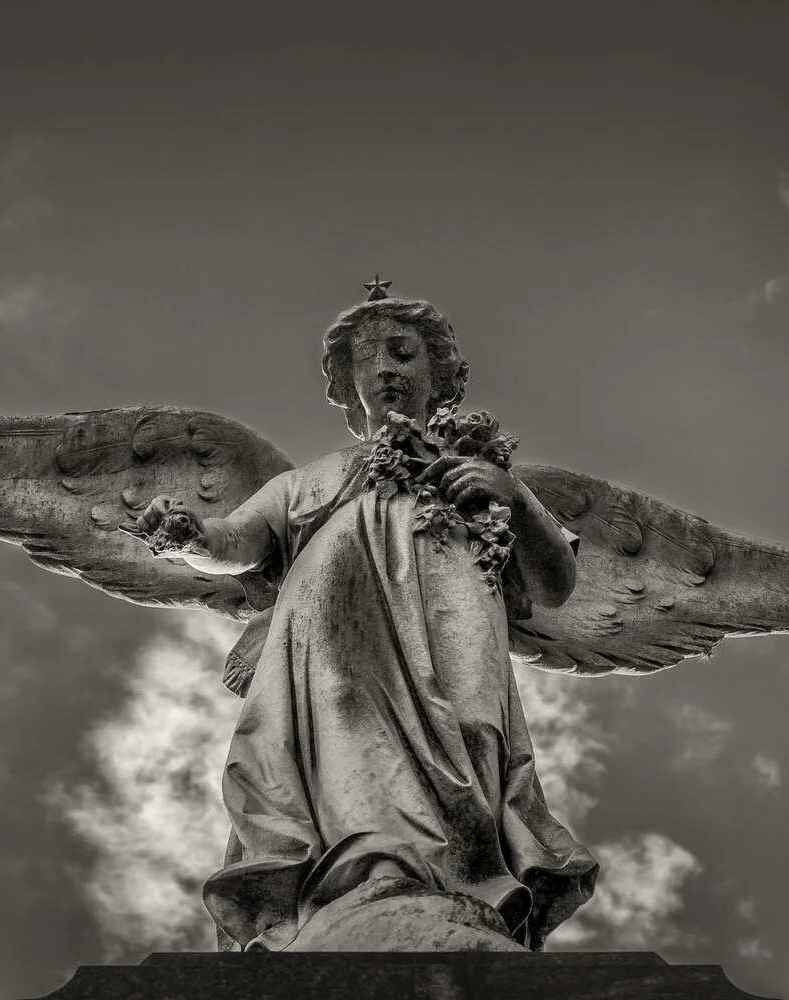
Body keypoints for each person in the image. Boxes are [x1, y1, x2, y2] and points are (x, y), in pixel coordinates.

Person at [134, 289, 598, 951]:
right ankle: (367, 884)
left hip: (452, 598)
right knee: (349, 727)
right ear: (347, 388)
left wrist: (514, 497)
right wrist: (186, 536)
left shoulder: (479, 472)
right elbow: (236, 541)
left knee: (472, 727)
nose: (384, 367)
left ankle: (465, 890)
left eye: (402, 353)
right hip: (334, 615)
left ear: (440, 377)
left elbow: (556, 583)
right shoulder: (313, 480)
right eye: (366, 358)